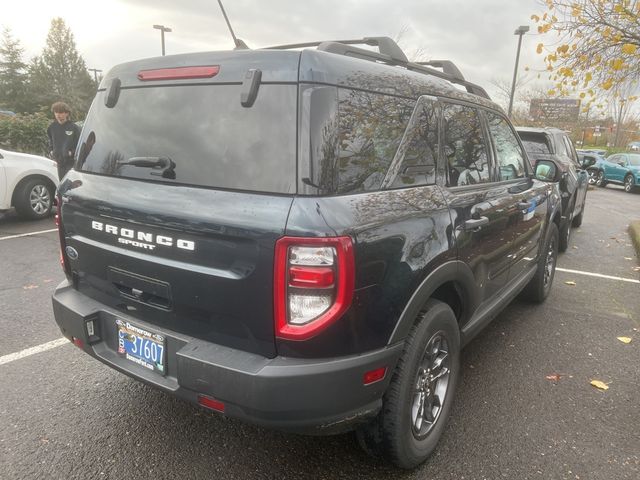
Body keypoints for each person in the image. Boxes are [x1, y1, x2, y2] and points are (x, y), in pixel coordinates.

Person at [47, 102, 81, 179]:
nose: (58, 115)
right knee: (59, 183)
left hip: (71, 163)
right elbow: (50, 141)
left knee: (69, 184)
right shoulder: (52, 127)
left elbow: (80, 143)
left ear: (67, 113)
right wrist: (51, 151)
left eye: (61, 112)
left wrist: (71, 152)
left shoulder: (74, 127)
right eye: (56, 112)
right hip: (57, 162)